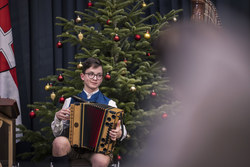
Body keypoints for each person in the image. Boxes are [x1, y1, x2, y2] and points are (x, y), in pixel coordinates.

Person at [51, 57, 127, 167]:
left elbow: (122, 131)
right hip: (74, 149)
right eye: (91, 74)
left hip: (97, 152)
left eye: (99, 75)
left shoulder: (110, 104)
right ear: (83, 76)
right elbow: (57, 134)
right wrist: (58, 118)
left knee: (101, 160)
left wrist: (119, 133)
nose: (95, 78)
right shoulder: (70, 101)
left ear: (102, 78)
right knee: (59, 142)